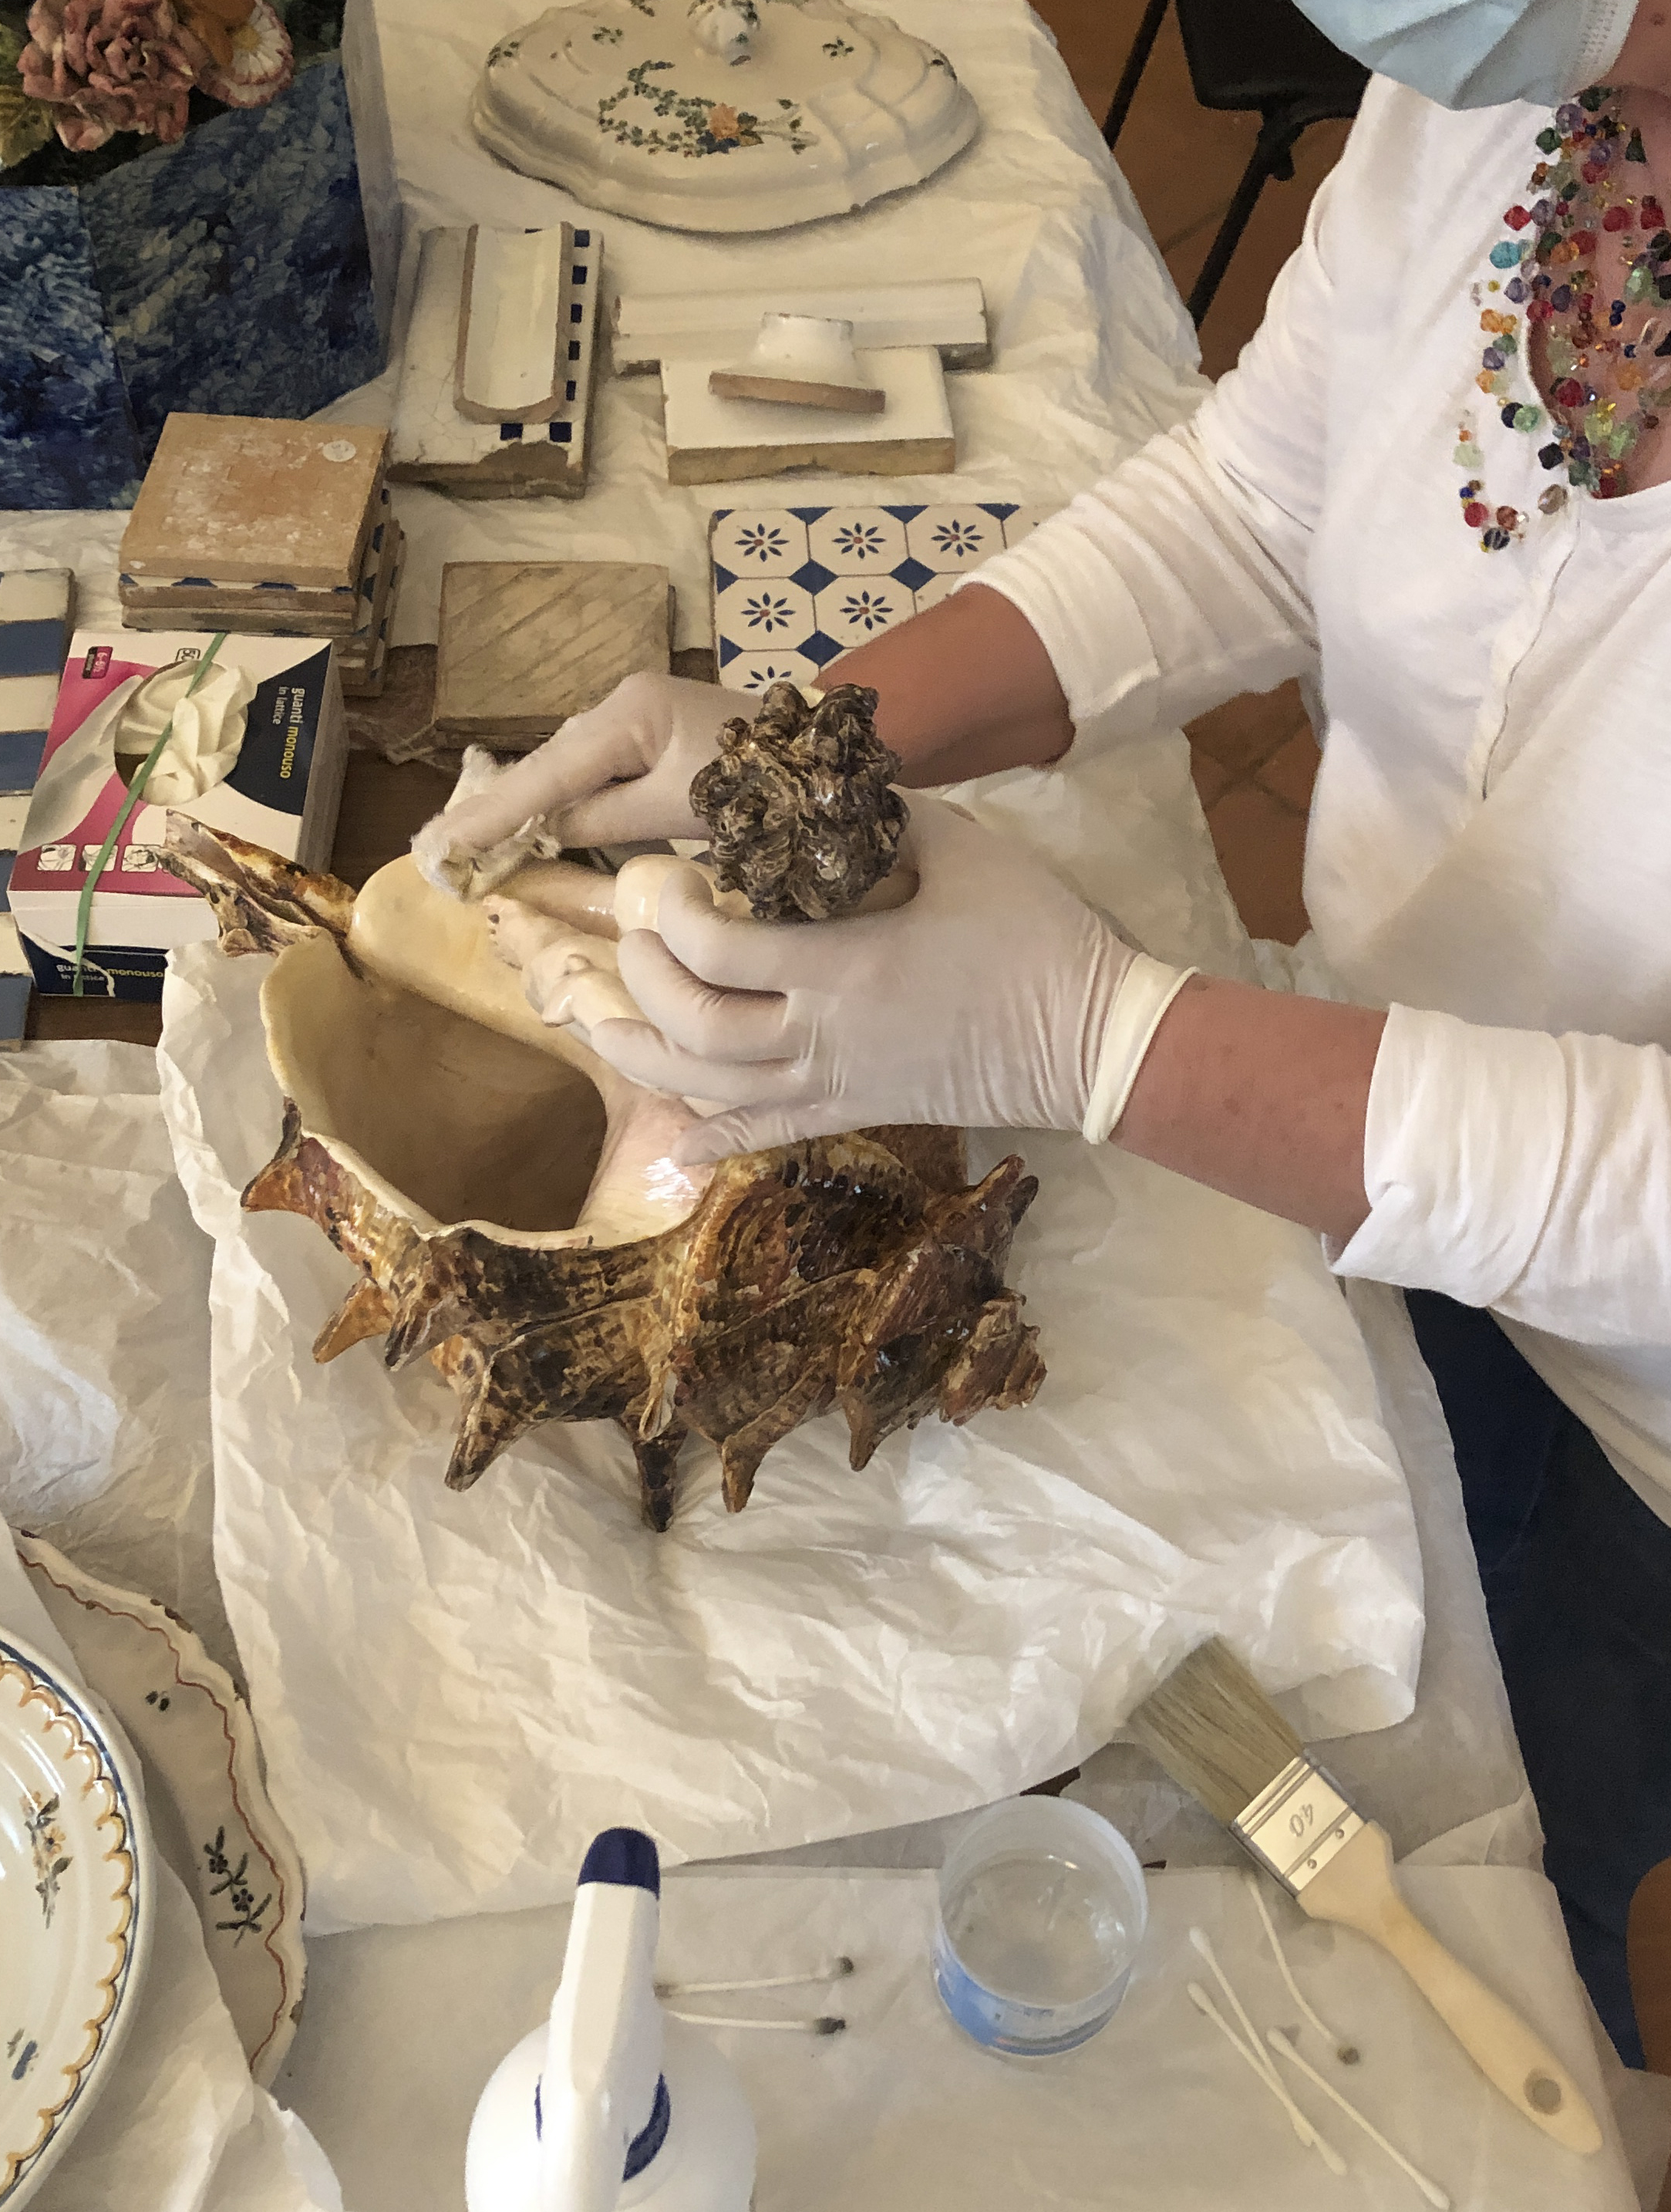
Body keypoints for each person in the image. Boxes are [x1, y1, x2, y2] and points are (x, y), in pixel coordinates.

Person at [433, 0, 1671, 2062]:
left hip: (1648, 1423)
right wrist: (817, 748)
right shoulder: (1519, 107)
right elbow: (1258, 503)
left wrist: (1102, 1043)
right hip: (1355, 1158)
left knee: (1527, 1878)